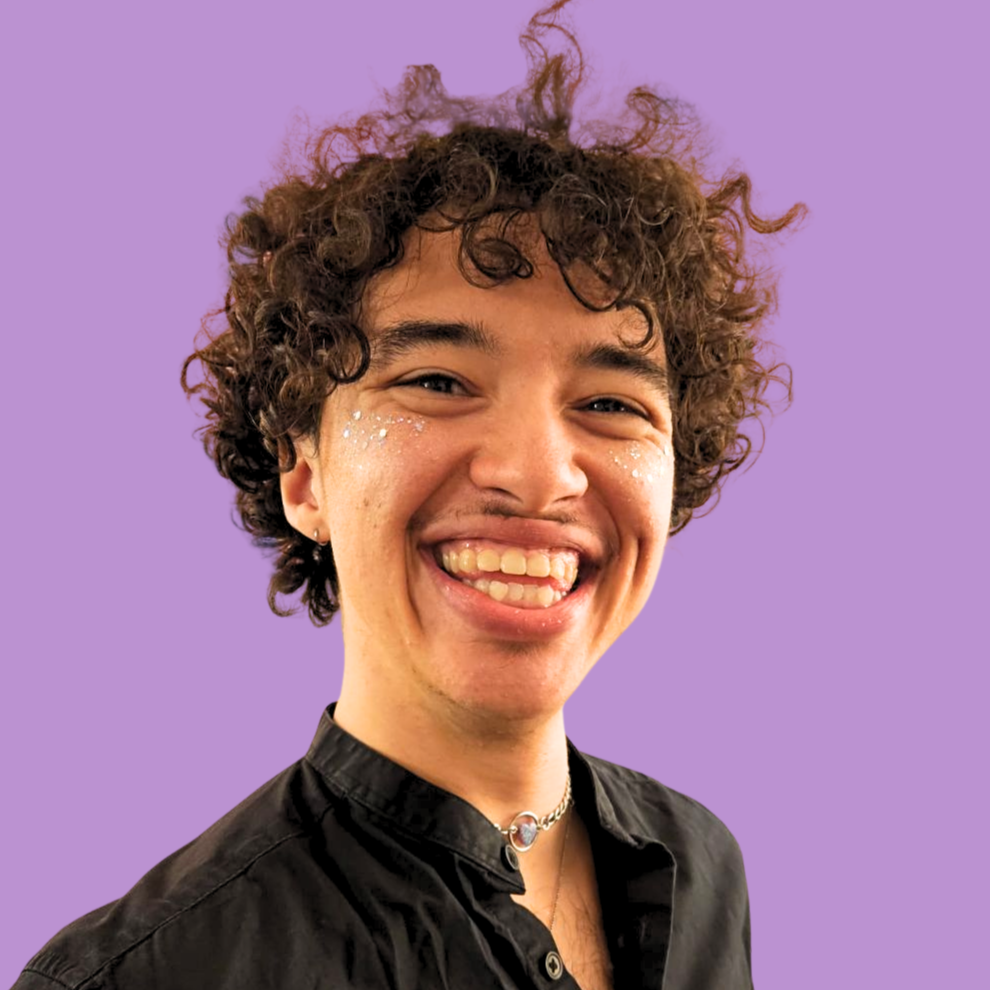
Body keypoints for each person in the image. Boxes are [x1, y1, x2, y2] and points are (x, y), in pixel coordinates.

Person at [12, 2, 803, 988]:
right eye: (437, 382)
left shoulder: (702, 867)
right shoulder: (148, 973)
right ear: (303, 472)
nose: (537, 472)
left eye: (608, 402)